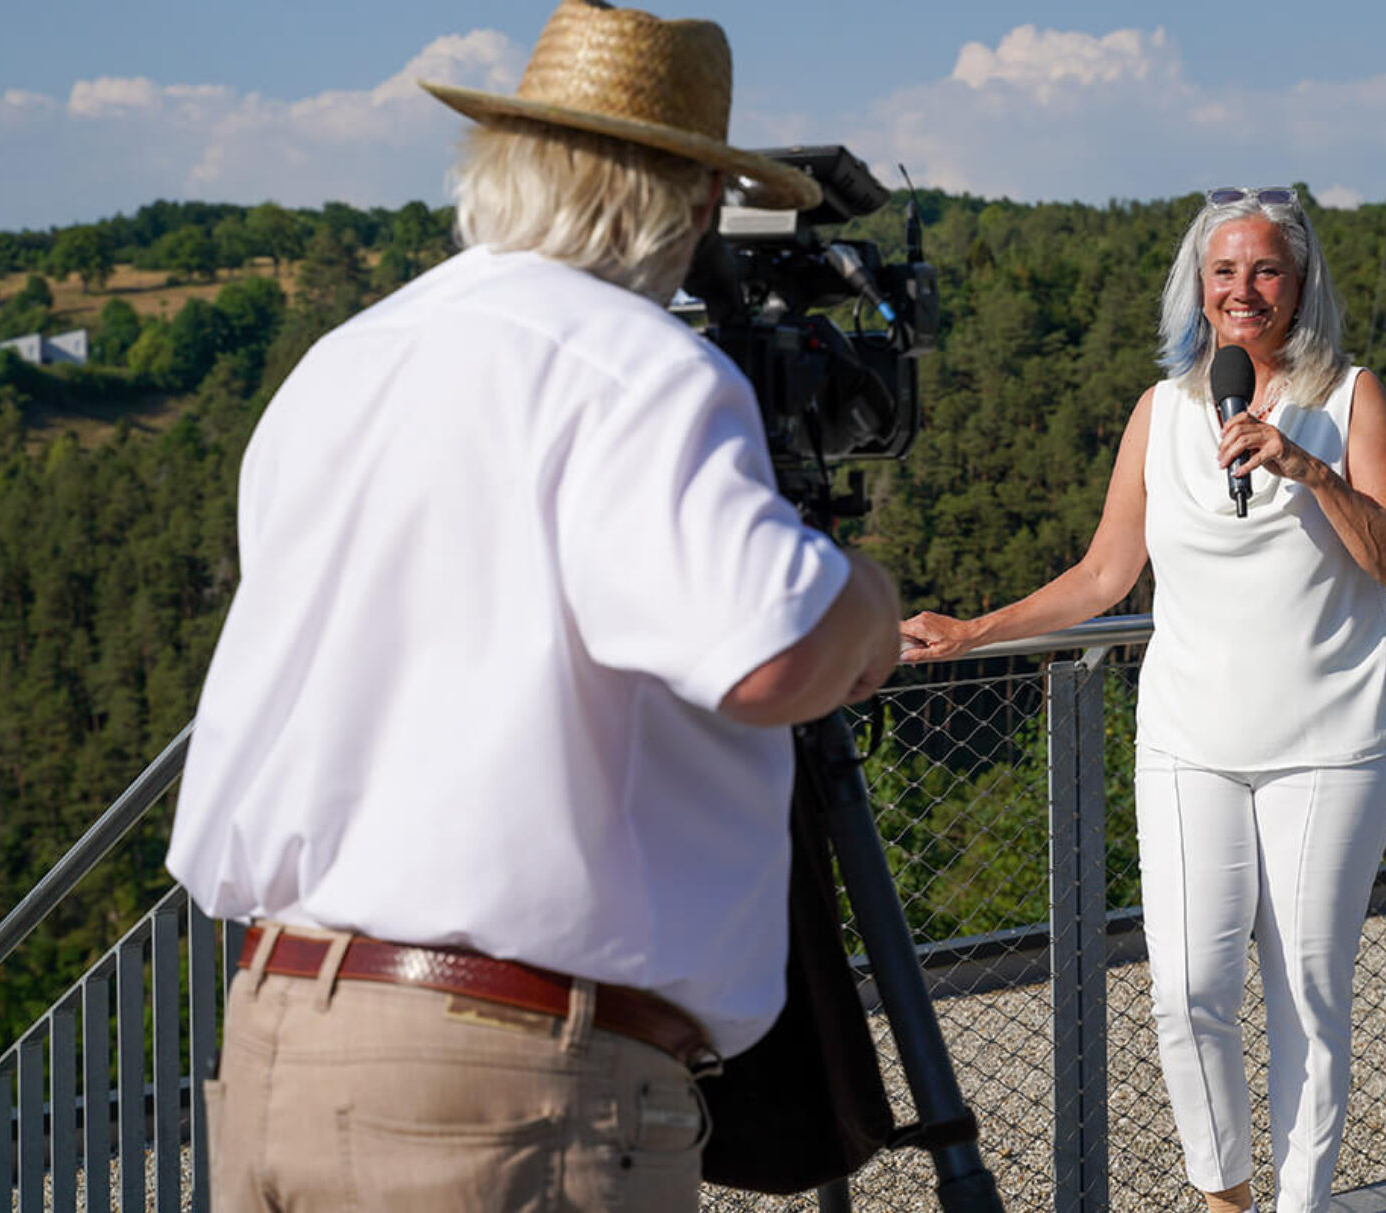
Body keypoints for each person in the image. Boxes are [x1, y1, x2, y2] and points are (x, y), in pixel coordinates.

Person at [164, 4, 902, 1210]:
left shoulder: (345, 360)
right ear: (690, 206)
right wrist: (862, 598)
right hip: (501, 1084)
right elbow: (770, 651)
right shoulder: (634, 364)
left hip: (276, 1040)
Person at [900, 186, 1386, 1213]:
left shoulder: (1349, 397)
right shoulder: (1161, 411)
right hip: (1190, 740)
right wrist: (972, 630)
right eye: (1224, 270)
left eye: (1265, 268)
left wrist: (1310, 471)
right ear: (1198, 284)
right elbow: (1104, 575)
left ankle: (1301, 1204)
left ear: (1300, 284)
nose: (1244, 289)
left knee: (1306, 997)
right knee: (1187, 989)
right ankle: (1224, 1197)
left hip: (1331, 744)